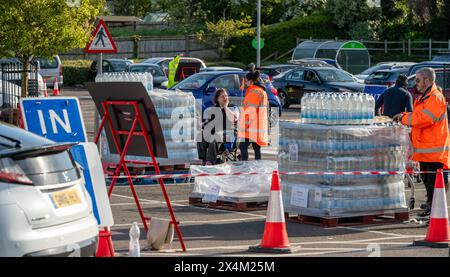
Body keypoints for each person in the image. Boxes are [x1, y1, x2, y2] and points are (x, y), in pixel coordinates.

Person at [393, 67, 450, 217]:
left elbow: (425, 119)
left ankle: (435, 209)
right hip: (427, 149)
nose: (415, 83)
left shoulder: (435, 97)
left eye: (418, 80)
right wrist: (405, 115)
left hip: (434, 150)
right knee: (427, 181)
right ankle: (431, 205)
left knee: (434, 182)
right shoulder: (425, 97)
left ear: (427, 80)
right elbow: (418, 115)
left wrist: (404, 118)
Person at [198, 88, 239, 165]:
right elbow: (209, 122)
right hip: (216, 132)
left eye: (226, 96)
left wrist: (225, 107)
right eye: (222, 96)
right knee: (201, 136)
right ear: (217, 99)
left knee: (215, 137)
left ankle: (209, 161)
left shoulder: (233, 107)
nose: (225, 98)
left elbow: (234, 118)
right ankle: (201, 159)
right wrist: (203, 124)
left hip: (228, 133)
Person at [238, 70, 269, 161]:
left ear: (251, 81)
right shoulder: (261, 91)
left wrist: (245, 125)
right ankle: (257, 168)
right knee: (256, 148)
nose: (245, 83)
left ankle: (244, 167)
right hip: (259, 126)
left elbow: (249, 111)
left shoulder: (253, 92)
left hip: (251, 126)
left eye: (246, 81)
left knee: (242, 146)